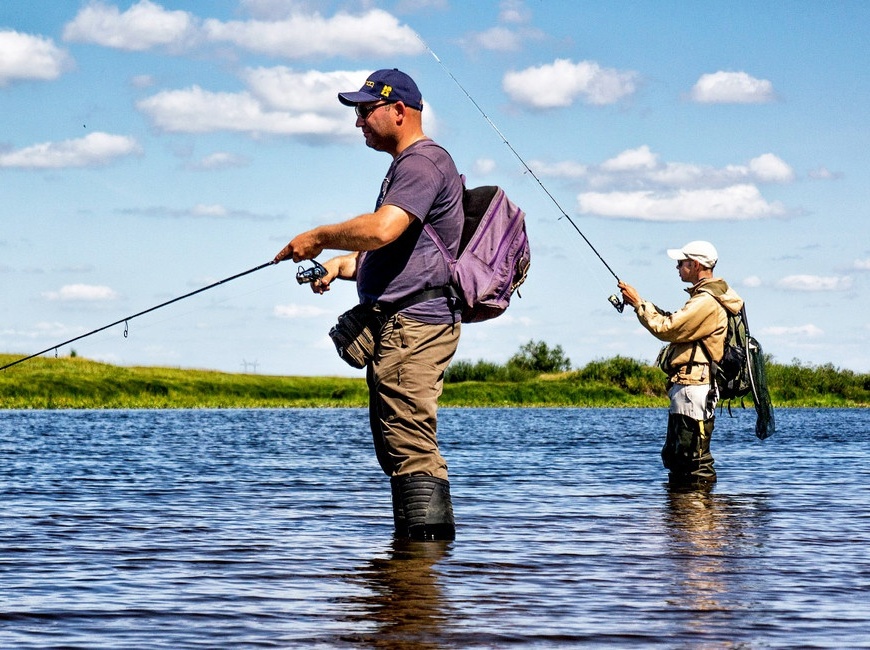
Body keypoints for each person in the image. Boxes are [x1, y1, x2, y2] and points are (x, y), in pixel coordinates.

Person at [273, 69, 464, 540]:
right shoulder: (411, 166)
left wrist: (317, 237)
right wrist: (340, 266)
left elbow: (383, 230)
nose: (357, 121)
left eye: (364, 111)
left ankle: (419, 585)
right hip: (405, 324)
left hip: (413, 328)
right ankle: (410, 585)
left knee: (410, 447)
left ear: (399, 112)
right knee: (398, 447)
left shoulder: (422, 163)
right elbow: (403, 253)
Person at [618, 241, 743, 486]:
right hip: (691, 386)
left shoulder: (705, 301)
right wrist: (642, 304)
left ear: (695, 265)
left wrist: (638, 305)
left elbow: (667, 328)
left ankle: (699, 516)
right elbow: (676, 323)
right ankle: (683, 517)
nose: (677, 267)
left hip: (694, 387)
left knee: (692, 458)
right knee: (679, 456)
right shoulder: (707, 298)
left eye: (682, 263)